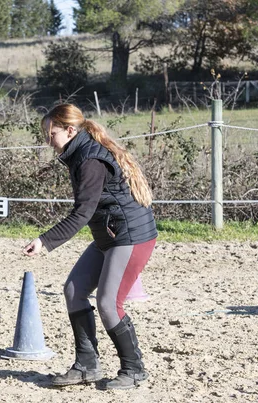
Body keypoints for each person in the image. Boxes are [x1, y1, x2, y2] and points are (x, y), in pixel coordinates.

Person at [23, 103, 157, 390]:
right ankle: (87, 365)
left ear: (70, 130)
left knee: (109, 303)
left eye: (52, 133)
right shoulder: (79, 152)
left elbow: (82, 213)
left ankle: (134, 369)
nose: (48, 140)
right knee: (74, 290)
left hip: (130, 236)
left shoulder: (89, 159)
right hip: (109, 234)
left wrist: (45, 241)